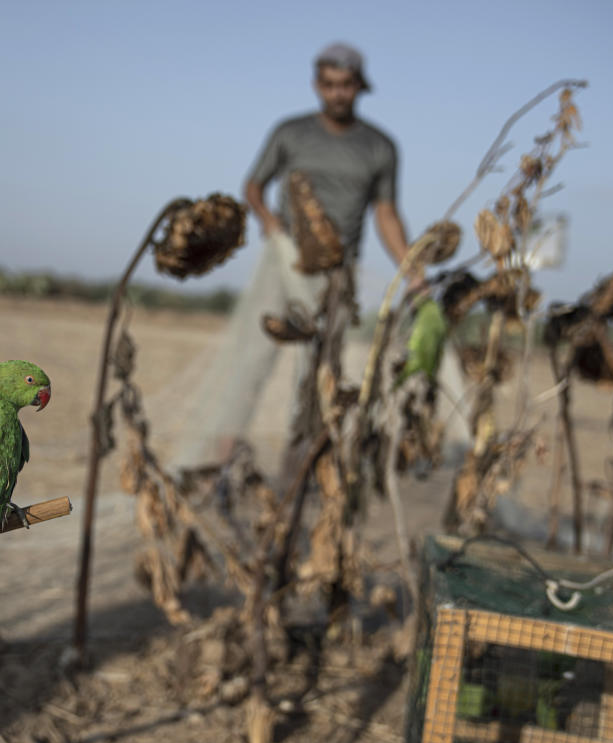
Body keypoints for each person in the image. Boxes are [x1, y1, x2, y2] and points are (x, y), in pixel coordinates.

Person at [172, 43, 447, 474]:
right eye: (329, 85)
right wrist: (269, 221)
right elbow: (253, 186)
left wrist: (414, 274)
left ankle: (299, 472)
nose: (337, 93)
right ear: (318, 85)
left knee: (321, 371)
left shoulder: (379, 147)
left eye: (346, 86)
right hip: (285, 265)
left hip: (339, 275)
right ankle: (221, 462)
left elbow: (386, 213)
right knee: (252, 361)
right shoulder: (291, 132)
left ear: (359, 87)